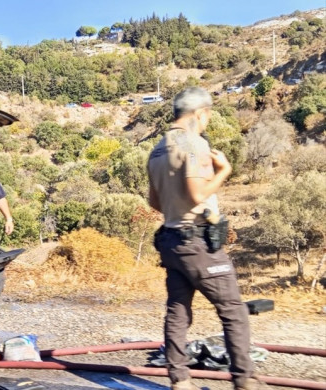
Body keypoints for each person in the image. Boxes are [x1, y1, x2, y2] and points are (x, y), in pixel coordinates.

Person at [147, 87, 265, 390]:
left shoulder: (158, 149)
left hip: (171, 240)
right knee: (233, 310)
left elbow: (154, 203)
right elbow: (198, 193)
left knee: (178, 311)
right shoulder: (194, 144)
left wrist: (178, 209)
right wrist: (224, 171)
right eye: (208, 115)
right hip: (196, 241)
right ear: (200, 113)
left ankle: (180, 380)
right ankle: (245, 380)